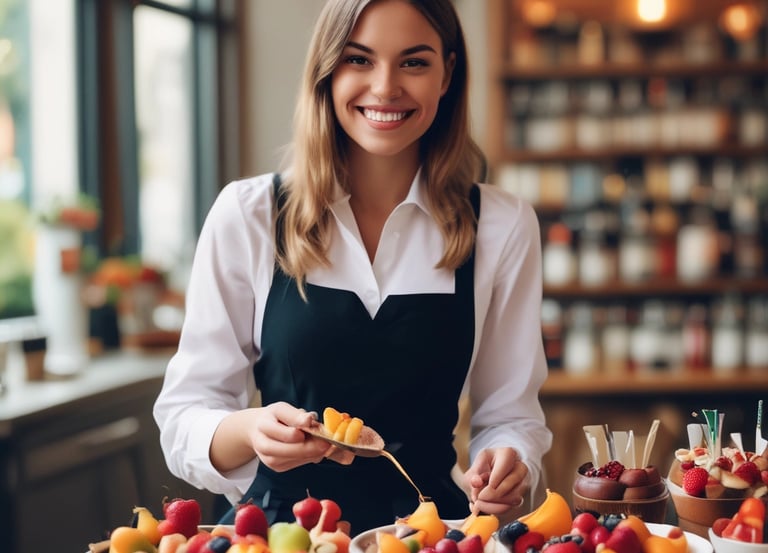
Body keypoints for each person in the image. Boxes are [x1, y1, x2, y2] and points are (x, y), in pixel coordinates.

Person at [153, 0, 552, 535]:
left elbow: (510, 413)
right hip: (280, 538)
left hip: (430, 536)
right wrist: (251, 430)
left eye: (414, 62)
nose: (386, 87)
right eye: (358, 59)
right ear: (326, 70)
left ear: (447, 74)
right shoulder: (248, 215)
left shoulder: (502, 225)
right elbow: (184, 416)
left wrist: (510, 458)